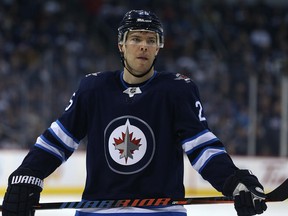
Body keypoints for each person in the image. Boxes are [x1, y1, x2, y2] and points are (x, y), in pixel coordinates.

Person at [2, 10, 267, 216]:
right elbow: (57, 141)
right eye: (136, 39)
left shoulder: (176, 90)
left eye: (151, 40)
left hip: (161, 211)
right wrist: (28, 173)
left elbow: (202, 148)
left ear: (158, 47)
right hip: (97, 211)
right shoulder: (93, 88)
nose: (143, 46)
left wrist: (232, 181)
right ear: (121, 45)